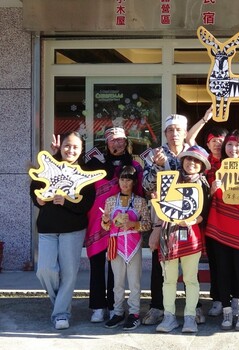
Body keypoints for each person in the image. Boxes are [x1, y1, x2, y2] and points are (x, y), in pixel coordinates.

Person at [30, 131, 96, 330]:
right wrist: (37, 199)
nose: (71, 150)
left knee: (69, 274)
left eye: (76, 147)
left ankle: (61, 314)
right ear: (61, 146)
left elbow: (86, 205)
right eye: (67, 145)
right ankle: (61, 302)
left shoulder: (85, 173)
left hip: (73, 229)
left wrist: (67, 202)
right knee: (44, 270)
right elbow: (35, 187)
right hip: (48, 228)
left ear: (81, 149)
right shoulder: (50, 164)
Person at [85, 127, 144, 323]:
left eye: (120, 140)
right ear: (107, 143)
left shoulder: (134, 165)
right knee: (96, 264)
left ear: (126, 142)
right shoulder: (95, 164)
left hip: (122, 224)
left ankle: (113, 306)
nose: (116, 144)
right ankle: (97, 306)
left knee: (114, 266)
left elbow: (141, 191)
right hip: (97, 219)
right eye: (112, 140)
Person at [150, 145, 212, 333]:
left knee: (190, 279)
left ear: (201, 165)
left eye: (196, 160)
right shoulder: (170, 179)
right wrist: (156, 203)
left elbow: (205, 212)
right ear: (182, 161)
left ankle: (190, 317)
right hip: (169, 235)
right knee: (168, 280)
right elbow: (162, 207)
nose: (191, 163)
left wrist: (193, 220)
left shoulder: (203, 184)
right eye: (188, 159)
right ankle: (169, 317)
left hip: (191, 235)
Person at [142, 114, 196, 325]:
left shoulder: (193, 153)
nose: (174, 134)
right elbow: (146, 186)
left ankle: (194, 307)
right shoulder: (154, 154)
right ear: (165, 133)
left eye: (178, 130)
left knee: (189, 262)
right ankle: (158, 307)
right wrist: (157, 167)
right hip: (162, 217)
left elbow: (198, 178)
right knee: (160, 264)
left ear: (185, 132)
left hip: (187, 216)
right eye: (170, 130)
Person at [205, 130, 239, 331]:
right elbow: (205, 199)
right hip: (219, 224)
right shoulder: (215, 169)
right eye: (230, 144)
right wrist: (211, 191)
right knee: (223, 271)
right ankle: (227, 312)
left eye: (237, 145)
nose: (233, 148)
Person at [186, 109, 233, 317]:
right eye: (213, 140)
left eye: (220, 140)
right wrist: (205, 119)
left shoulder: (233, 161)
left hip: (230, 218)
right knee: (215, 260)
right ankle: (217, 299)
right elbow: (189, 138)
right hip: (208, 219)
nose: (216, 143)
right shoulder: (203, 161)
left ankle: (232, 298)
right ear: (208, 144)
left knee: (230, 261)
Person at [101, 166, 151, 330]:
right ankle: (117, 312)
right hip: (116, 245)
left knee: (134, 282)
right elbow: (106, 227)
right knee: (117, 282)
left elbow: (147, 224)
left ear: (134, 181)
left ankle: (134, 313)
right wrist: (107, 220)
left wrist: (133, 224)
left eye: (128, 179)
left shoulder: (140, 202)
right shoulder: (109, 201)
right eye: (122, 179)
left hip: (134, 245)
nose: (124, 182)